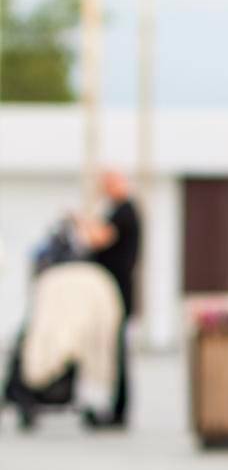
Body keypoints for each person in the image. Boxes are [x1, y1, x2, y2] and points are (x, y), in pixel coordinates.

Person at [77, 169, 141, 428]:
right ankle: (115, 409)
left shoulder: (124, 211)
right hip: (112, 292)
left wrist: (82, 222)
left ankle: (119, 412)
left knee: (118, 354)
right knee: (114, 353)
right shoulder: (119, 210)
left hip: (116, 293)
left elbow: (98, 238)